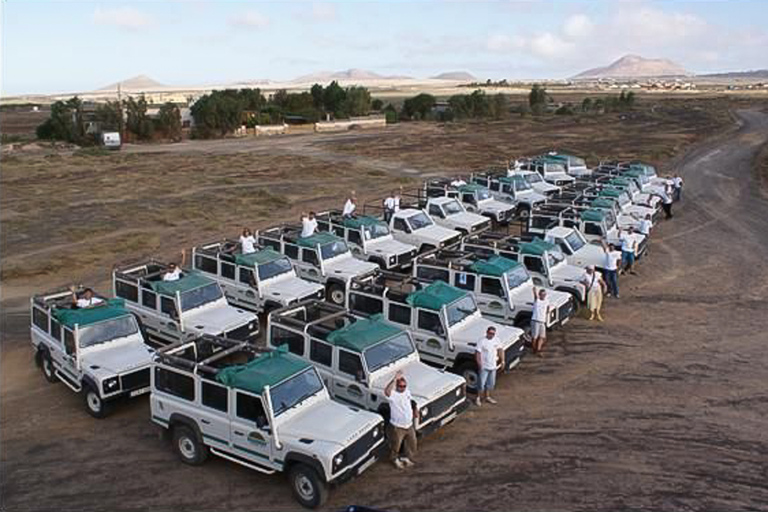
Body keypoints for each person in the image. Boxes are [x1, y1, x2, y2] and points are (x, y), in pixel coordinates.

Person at [384, 370, 418, 469]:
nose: (403, 388)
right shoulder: (393, 395)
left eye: (404, 386)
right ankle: (395, 459)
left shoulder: (407, 392)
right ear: (397, 386)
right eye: (401, 386)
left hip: (409, 425)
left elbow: (411, 401)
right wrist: (394, 379)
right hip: (398, 426)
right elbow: (387, 391)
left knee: (412, 443)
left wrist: (415, 409)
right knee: (396, 445)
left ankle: (406, 458)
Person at [475, 326, 503, 406]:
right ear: (487, 332)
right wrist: (480, 364)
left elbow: (500, 349)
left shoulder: (496, 340)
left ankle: (487, 397)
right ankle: (478, 398)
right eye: (490, 333)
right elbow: (477, 353)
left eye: (493, 334)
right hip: (484, 366)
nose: (491, 335)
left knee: (490, 383)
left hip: (493, 366)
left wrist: (502, 360)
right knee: (481, 384)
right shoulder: (482, 341)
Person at [531, 287, 550, 356]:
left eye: (544, 294)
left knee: (542, 336)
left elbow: (548, 307)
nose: (543, 296)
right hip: (535, 320)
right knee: (535, 337)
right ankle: (534, 349)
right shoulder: (537, 301)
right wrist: (534, 291)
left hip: (542, 321)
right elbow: (535, 297)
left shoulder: (547, 301)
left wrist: (546, 312)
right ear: (539, 295)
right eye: (542, 294)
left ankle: (538, 349)